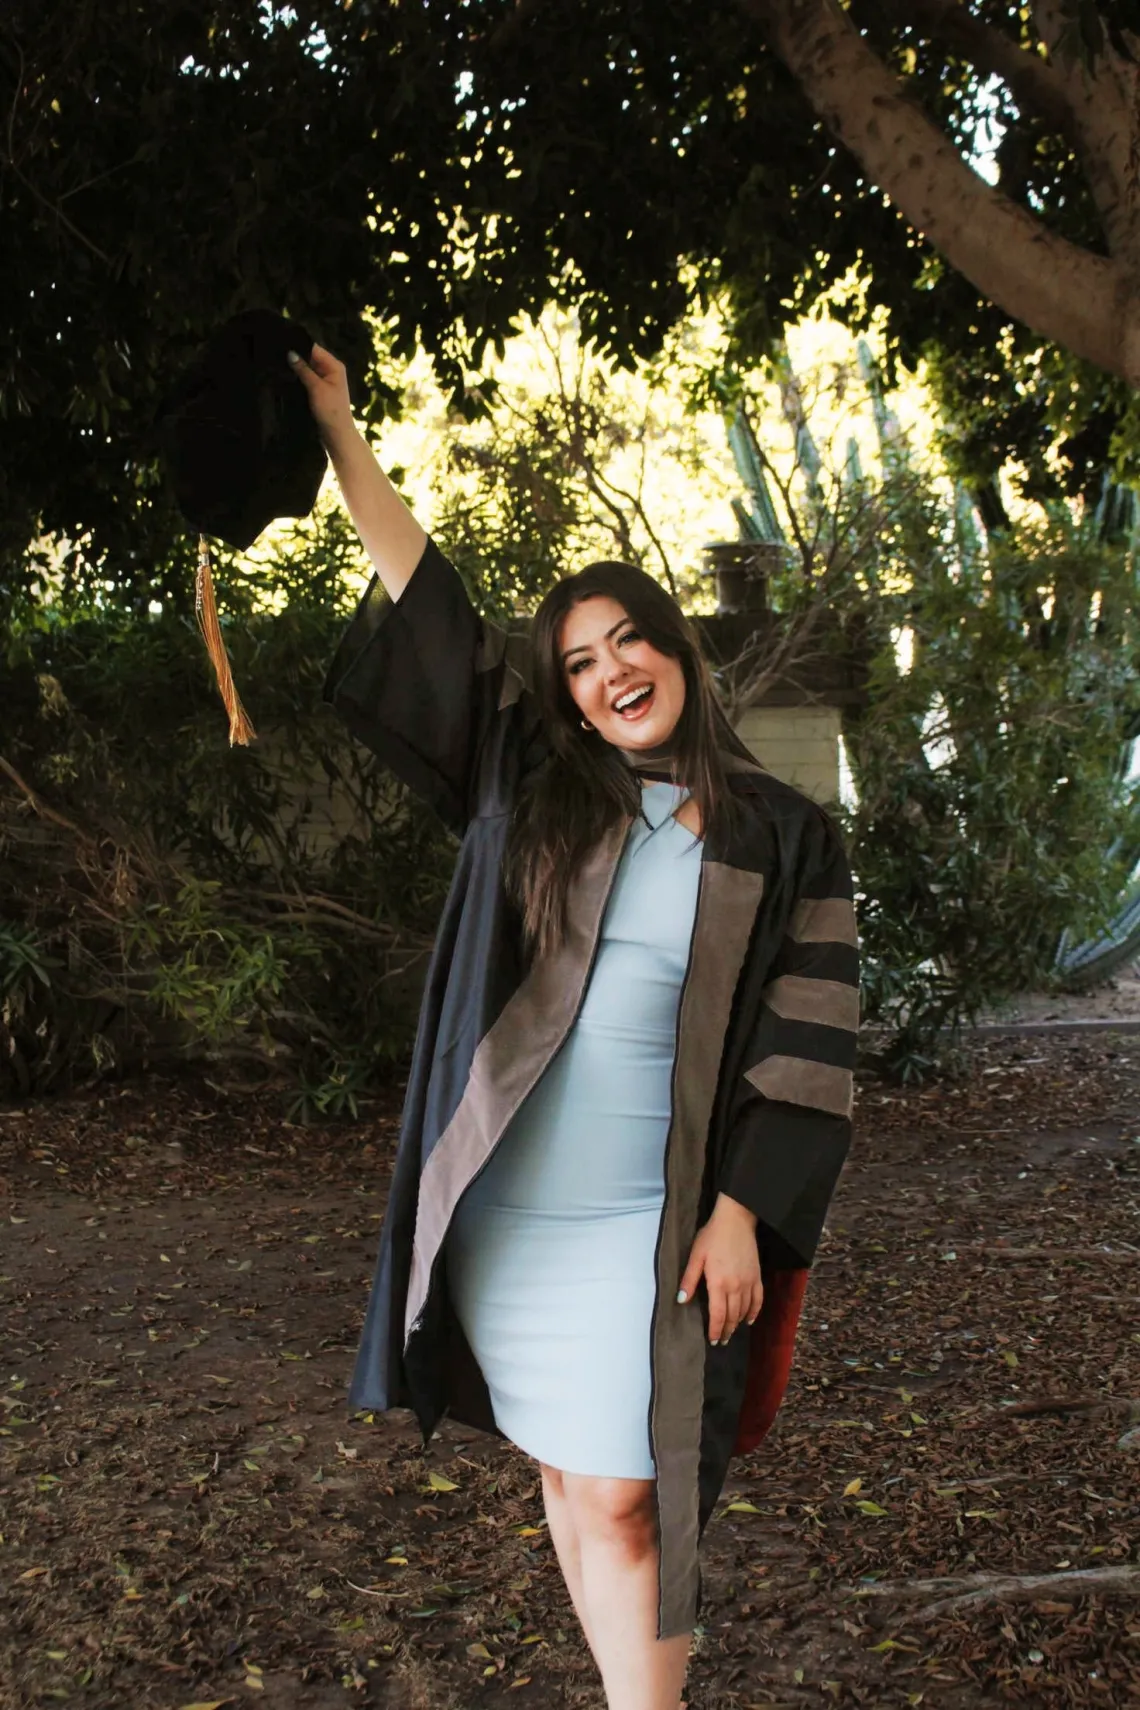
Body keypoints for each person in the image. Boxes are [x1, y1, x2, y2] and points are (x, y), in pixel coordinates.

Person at [288, 343, 859, 1710]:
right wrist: (341, 440)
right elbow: (433, 611)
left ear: (679, 646)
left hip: (649, 1219)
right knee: (571, 1472)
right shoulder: (546, 788)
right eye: (583, 662)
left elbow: (808, 1033)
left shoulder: (786, 835)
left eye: (632, 640)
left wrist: (746, 1206)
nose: (612, 673)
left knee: (630, 1492)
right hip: (518, 1197)